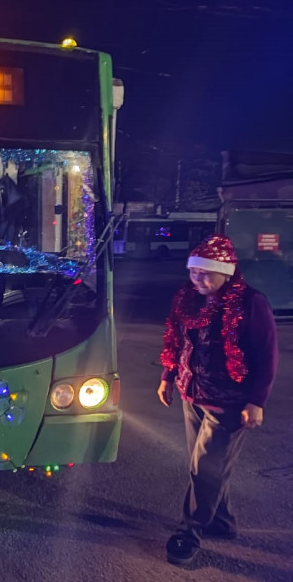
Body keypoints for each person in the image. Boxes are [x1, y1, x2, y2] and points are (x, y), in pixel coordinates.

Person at [157, 234, 278, 565]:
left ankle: (189, 533)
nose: (198, 279)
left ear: (226, 272)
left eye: (205, 273)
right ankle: (221, 523)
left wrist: (256, 401)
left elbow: (267, 356)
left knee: (205, 469)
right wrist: (167, 376)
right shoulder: (188, 298)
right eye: (194, 272)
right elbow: (176, 340)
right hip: (192, 395)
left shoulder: (250, 303)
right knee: (208, 468)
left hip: (228, 402)